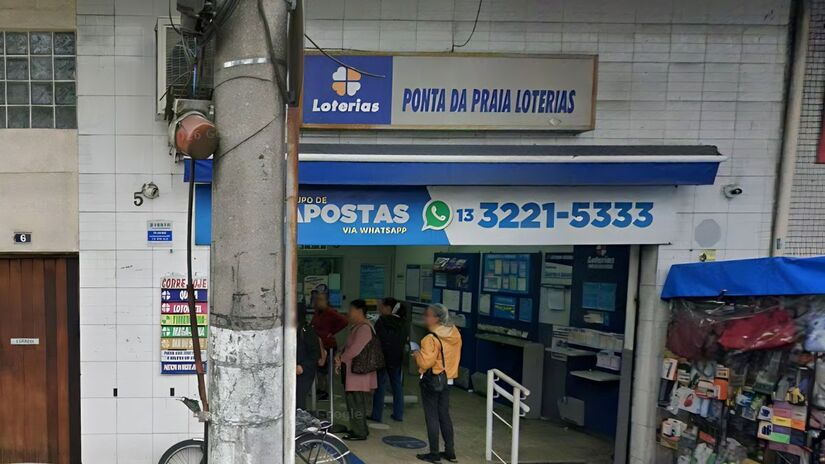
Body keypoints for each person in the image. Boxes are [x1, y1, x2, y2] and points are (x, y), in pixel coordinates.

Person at [413, 304, 462, 463]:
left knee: (432, 416)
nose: (425, 317)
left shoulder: (430, 338)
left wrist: (417, 354)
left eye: (428, 315)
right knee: (444, 415)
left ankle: (434, 454)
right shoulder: (454, 333)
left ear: (436, 318)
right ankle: (450, 452)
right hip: (448, 379)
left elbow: (426, 362)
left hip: (433, 380)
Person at [335, 299, 378, 441]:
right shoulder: (357, 327)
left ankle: (359, 432)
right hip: (354, 374)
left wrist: (341, 359)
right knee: (354, 402)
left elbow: (355, 349)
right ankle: (360, 429)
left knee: (356, 403)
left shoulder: (364, 328)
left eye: (351, 310)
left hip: (358, 375)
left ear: (359, 311)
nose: (349, 313)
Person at [369, 297, 406, 422]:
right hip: (396, 358)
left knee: (380, 386)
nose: (380, 308)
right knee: (397, 386)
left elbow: (376, 339)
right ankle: (398, 414)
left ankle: (377, 415)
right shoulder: (403, 322)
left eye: (382, 306)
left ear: (388, 308)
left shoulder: (382, 321)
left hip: (382, 357)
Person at [311, 293, 348, 398]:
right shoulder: (317, 312)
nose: (318, 302)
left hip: (327, 344)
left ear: (326, 301)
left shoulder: (330, 312)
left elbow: (344, 321)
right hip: (318, 343)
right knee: (319, 369)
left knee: (325, 370)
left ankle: (326, 391)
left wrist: (332, 332)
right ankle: (321, 389)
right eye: (317, 299)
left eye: (321, 299)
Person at [295, 302, 321, 410]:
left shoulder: (306, 330)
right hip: (292, 371)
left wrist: (303, 367)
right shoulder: (289, 329)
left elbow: (315, 353)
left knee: (298, 402)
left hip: (303, 373)